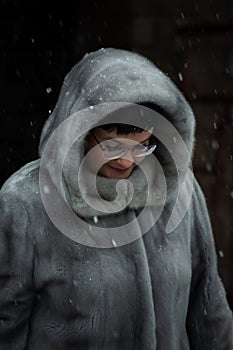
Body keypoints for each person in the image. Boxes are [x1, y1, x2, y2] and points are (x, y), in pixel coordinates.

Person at [0, 47, 232, 350]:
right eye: (113, 146)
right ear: (81, 130)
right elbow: (6, 324)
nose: (127, 161)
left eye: (142, 146)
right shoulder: (25, 202)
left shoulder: (181, 193)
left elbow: (209, 307)